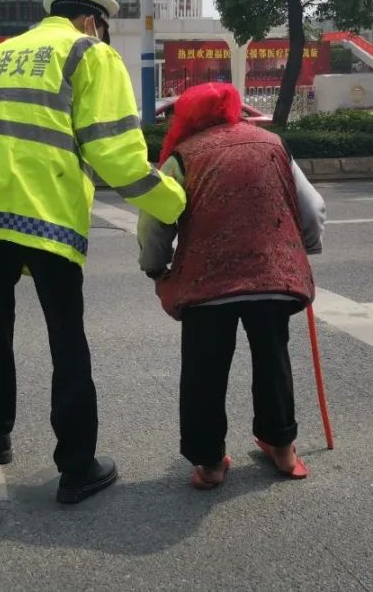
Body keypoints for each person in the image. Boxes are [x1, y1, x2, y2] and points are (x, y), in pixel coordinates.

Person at [0, 0, 187, 504]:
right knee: (66, 340)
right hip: (44, 211)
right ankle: (77, 467)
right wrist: (176, 204)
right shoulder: (87, 53)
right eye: (102, 29)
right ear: (89, 22)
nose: (102, 37)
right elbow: (114, 153)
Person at [137, 82, 326, 491]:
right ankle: (282, 449)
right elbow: (312, 208)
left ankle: (210, 464)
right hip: (272, 277)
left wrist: (156, 270)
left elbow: (155, 222)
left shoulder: (183, 157)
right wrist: (305, 248)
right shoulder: (274, 144)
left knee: (204, 371)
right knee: (273, 360)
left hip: (207, 285)